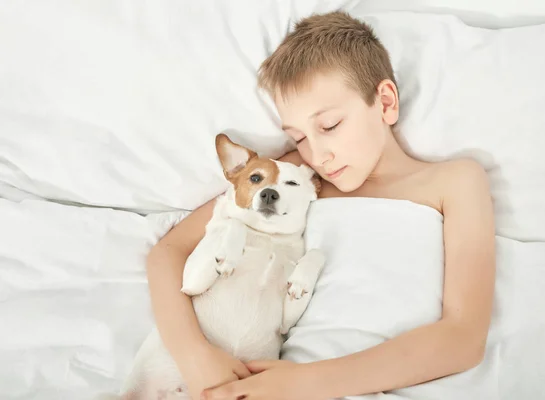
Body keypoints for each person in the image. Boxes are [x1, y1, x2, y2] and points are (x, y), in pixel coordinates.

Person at [146, 10, 495, 400]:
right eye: (298, 138)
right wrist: (196, 358)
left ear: (385, 101)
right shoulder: (297, 178)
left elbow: (463, 338)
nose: (318, 154)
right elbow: (168, 252)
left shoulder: (454, 181)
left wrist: (306, 383)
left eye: (329, 126)